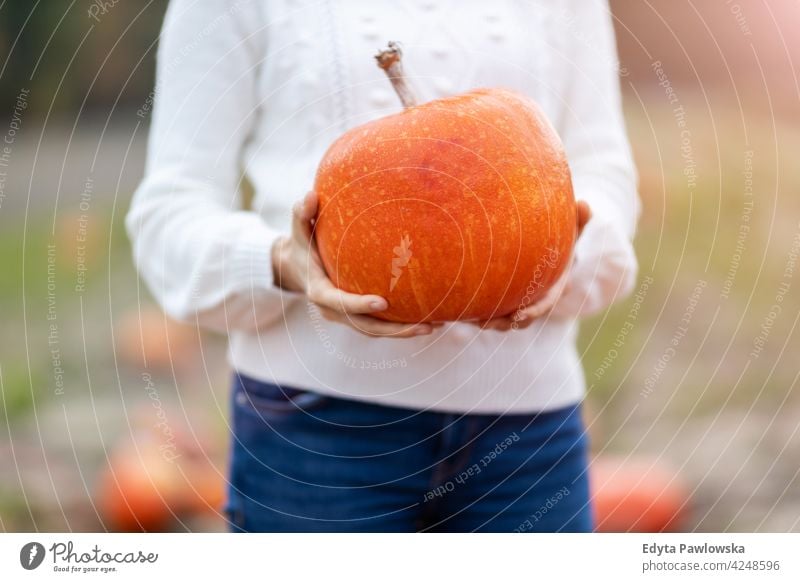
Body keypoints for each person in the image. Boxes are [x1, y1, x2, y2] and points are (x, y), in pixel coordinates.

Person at [127, 0, 639, 532]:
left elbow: (605, 173)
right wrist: (283, 262)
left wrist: (562, 256)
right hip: (315, 433)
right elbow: (170, 212)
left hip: (527, 433)